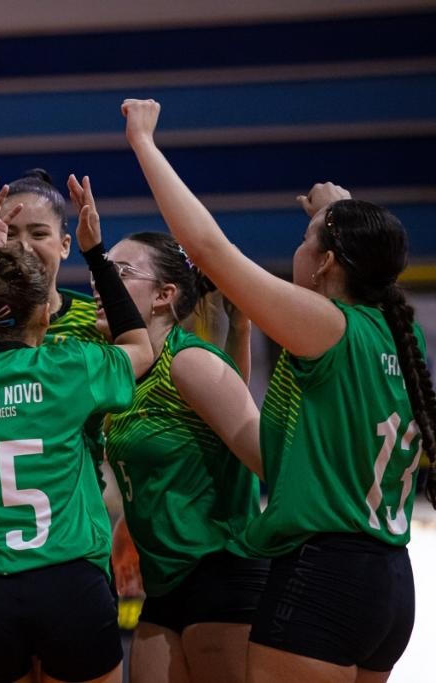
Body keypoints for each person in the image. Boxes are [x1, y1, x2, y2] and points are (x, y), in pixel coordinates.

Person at [122, 97, 436, 682]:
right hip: (390, 581)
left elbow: (209, 250)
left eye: (306, 239)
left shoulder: (327, 327)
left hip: (324, 575)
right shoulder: (398, 330)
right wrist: (334, 212)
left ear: (326, 263)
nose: (297, 249)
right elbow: (261, 445)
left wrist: (144, 143)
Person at [0, 178, 154, 682]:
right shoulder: (71, 367)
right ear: (46, 321)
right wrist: (97, 256)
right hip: (71, 580)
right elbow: (140, 347)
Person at [98, 230, 267, 682]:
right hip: (163, 580)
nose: (100, 283)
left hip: (221, 573)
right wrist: (128, 522)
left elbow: (257, 451)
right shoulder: (125, 370)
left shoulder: (187, 361)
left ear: (164, 295)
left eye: (120, 272)